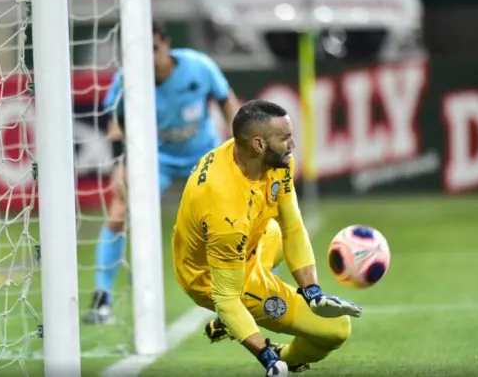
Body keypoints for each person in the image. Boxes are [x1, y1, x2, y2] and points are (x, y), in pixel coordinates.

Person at [171, 100, 362, 376]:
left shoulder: (268, 158)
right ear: (259, 144)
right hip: (213, 277)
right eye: (285, 137)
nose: (293, 144)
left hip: (248, 241)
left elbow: (292, 226)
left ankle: (239, 321)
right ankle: (288, 357)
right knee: (337, 328)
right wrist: (267, 357)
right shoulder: (226, 211)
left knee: (275, 231)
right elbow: (225, 297)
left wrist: (313, 293)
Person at [84, 21, 239, 324]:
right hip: (157, 158)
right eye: (142, 51)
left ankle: (248, 288)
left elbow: (227, 101)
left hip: (204, 154)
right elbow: (115, 125)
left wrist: (237, 147)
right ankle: (102, 298)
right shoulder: (126, 80)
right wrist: (121, 167)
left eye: (154, 49)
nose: (150, 57)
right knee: (118, 210)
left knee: (234, 214)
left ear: (167, 45)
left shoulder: (199, 66)